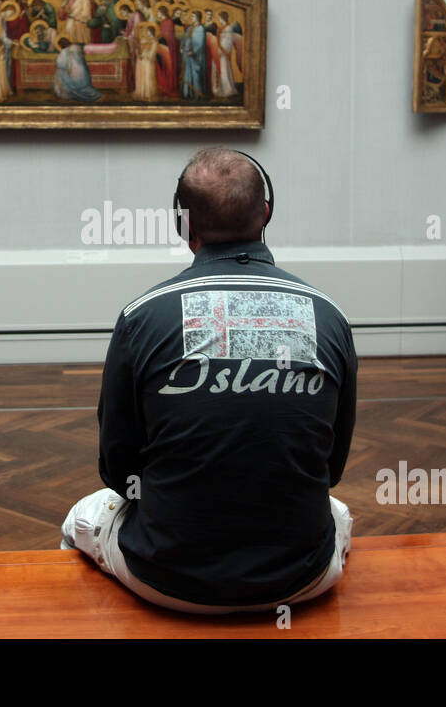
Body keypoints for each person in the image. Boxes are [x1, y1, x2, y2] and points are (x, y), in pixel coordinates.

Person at [62, 147, 358, 613]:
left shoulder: (142, 317)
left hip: (165, 579)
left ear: (184, 225)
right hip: (301, 577)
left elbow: (119, 471)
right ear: (266, 213)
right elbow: (332, 470)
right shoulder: (329, 316)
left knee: (82, 514)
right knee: (336, 511)